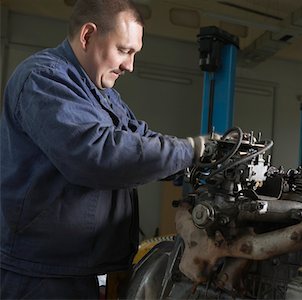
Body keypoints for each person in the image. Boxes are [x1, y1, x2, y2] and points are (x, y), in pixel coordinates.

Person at [0, 0, 205, 298]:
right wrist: (191, 150)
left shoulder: (102, 95)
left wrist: (197, 163)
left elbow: (141, 140)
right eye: (124, 50)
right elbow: (97, 155)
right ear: (87, 36)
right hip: (41, 272)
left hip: (78, 266)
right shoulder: (44, 79)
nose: (129, 65)